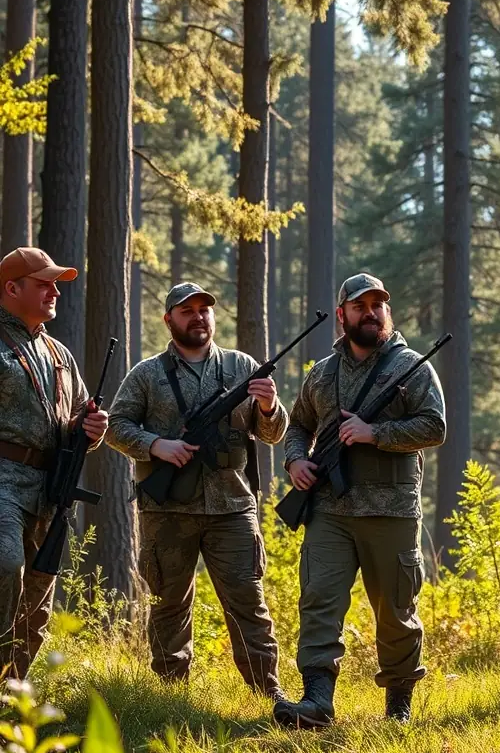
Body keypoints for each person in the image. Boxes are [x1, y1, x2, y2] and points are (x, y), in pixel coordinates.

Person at [273, 273, 446, 728]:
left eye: (377, 305)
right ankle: (316, 701)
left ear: (387, 311)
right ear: (341, 315)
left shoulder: (412, 367)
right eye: (360, 306)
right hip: (329, 510)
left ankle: (398, 705)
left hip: (391, 511)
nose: (370, 313)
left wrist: (376, 433)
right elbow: (298, 425)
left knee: (395, 612)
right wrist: (295, 461)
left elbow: (435, 427)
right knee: (318, 601)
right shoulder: (322, 373)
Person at [106, 282, 288, 698]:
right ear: (168, 319)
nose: (198, 317)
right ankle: (171, 695)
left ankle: (268, 693)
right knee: (169, 603)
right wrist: (156, 445)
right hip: (167, 509)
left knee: (248, 601)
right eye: (186, 311)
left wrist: (269, 406)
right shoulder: (147, 374)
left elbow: (273, 434)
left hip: (232, 506)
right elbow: (116, 426)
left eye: (204, 309)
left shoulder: (243, 367)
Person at [0, 247, 108, 678]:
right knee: (6, 563)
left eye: (56, 285)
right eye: (44, 284)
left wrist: (91, 427)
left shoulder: (59, 353)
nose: (55, 292)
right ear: (12, 288)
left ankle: (14, 694)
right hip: (3, 482)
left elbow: (78, 416)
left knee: (39, 591)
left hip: (49, 490)